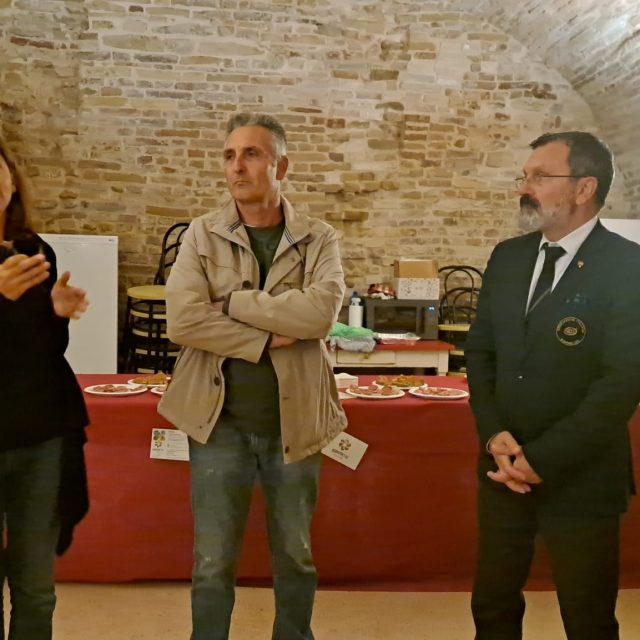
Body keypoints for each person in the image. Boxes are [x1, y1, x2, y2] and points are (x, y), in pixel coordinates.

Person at [158, 112, 347, 640]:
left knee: (296, 555)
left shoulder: (319, 238)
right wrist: (265, 338)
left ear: (281, 166)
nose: (237, 166)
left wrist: (234, 304)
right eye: (229, 155)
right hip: (219, 423)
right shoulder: (202, 234)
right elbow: (183, 320)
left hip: (297, 423)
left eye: (251, 154)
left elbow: (319, 315)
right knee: (212, 560)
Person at [465, 130, 640, 640]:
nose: (525, 187)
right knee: (492, 606)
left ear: (584, 188)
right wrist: (493, 434)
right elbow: (481, 353)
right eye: (525, 176)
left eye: (540, 177)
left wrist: (542, 458)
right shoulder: (508, 257)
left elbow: (622, 380)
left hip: (583, 474)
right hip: (503, 468)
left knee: (588, 618)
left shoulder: (627, 266)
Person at [0, 138, 90, 640]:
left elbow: (47, 350)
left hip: (41, 434)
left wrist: (57, 311)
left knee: (36, 587)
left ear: (11, 182)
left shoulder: (35, 249)